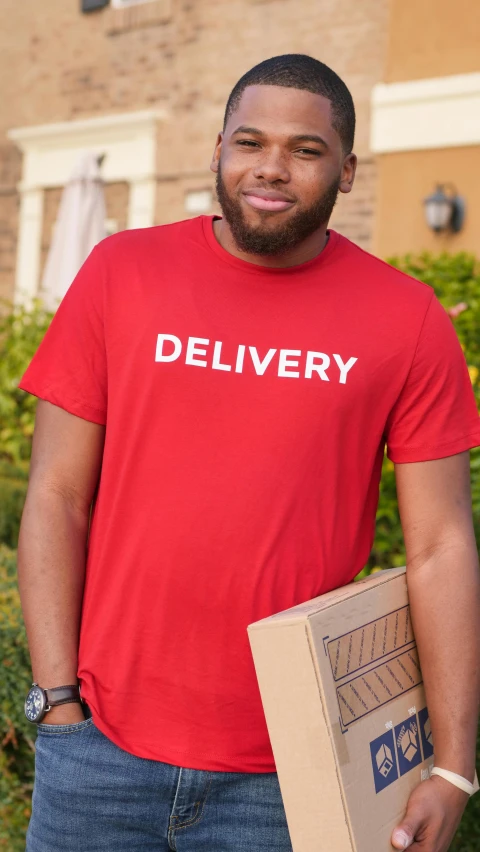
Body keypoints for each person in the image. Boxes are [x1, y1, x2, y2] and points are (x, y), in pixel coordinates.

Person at [18, 54, 480, 852]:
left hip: (295, 775)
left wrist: (454, 768)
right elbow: (58, 494)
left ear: (347, 171)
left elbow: (442, 547)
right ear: (217, 153)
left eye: (306, 149)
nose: (271, 167)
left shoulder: (407, 321)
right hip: (101, 756)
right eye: (249, 141)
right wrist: (58, 704)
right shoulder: (121, 273)